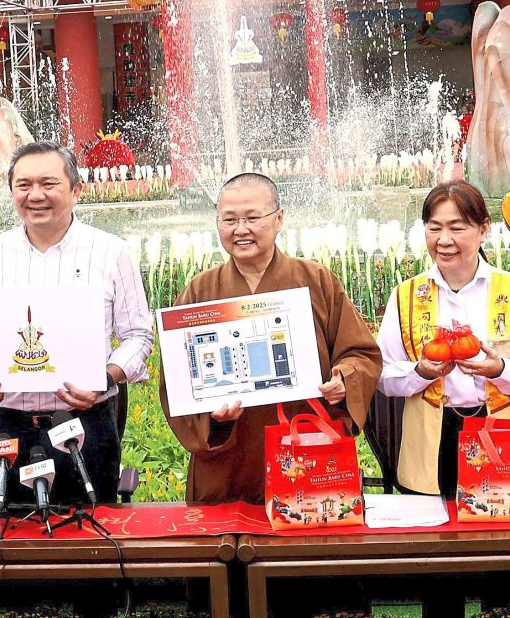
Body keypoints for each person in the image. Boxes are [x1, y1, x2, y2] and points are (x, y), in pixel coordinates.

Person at [375, 180, 510, 618]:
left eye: (457, 227)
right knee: (438, 566)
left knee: (506, 559)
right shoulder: (407, 295)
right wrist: (420, 372)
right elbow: (381, 375)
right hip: (434, 437)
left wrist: (501, 370)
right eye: (434, 227)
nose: (445, 240)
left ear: (483, 230)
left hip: (501, 435)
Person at [159, 172, 382, 505]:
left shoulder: (316, 280)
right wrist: (213, 419)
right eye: (229, 220)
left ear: (279, 219)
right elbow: (176, 379)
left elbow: (361, 353)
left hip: (306, 446)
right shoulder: (200, 291)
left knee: (305, 527)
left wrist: (345, 380)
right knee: (226, 534)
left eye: (252, 218)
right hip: (229, 459)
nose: (240, 230)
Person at [0, 141, 154, 505]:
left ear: (76, 189)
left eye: (48, 183)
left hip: (85, 422)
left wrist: (103, 379)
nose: (35, 195)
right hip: (11, 422)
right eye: (24, 185)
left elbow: (138, 336)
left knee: (93, 525)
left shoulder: (110, 251)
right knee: (13, 530)